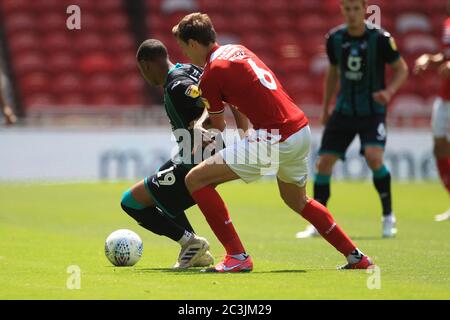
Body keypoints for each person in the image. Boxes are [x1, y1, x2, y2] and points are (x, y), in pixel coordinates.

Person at [172, 12, 374, 273]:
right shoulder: (238, 51)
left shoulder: (211, 74)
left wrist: (199, 125)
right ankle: (357, 257)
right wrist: (245, 134)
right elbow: (239, 95)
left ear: (193, 44)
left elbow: (218, 125)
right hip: (300, 129)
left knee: (195, 179)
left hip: (275, 137)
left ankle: (237, 256)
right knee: (297, 199)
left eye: (183, 48)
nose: (186, 56)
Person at [297, 0, 408, 239]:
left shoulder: (380, 38)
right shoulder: (335, 39)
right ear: (342, 10)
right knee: (323, 164)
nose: (352, 14)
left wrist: (389, 93)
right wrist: (326, 108)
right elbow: (332, 73)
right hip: (344, 111)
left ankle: (388, 216)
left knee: (374, 158)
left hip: (371, 111)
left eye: (356, 9)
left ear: (364, 9)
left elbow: (402, 69)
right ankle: (319, 223)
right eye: (347, 9)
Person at [120, 39, 217, 269]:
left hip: (196, 162)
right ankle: (194, 250)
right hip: (193, 157)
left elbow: (209, 106)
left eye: (142, 70)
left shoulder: (177, 85)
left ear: (147, 65)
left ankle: (190, 242)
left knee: (131, 202)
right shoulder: (187, 69)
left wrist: (202, 125)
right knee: (160, 185)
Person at [414, 1, 450, 222]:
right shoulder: (447, 23)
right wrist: (431, 59)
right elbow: (446, 57)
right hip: (445, 96)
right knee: (439, 148)